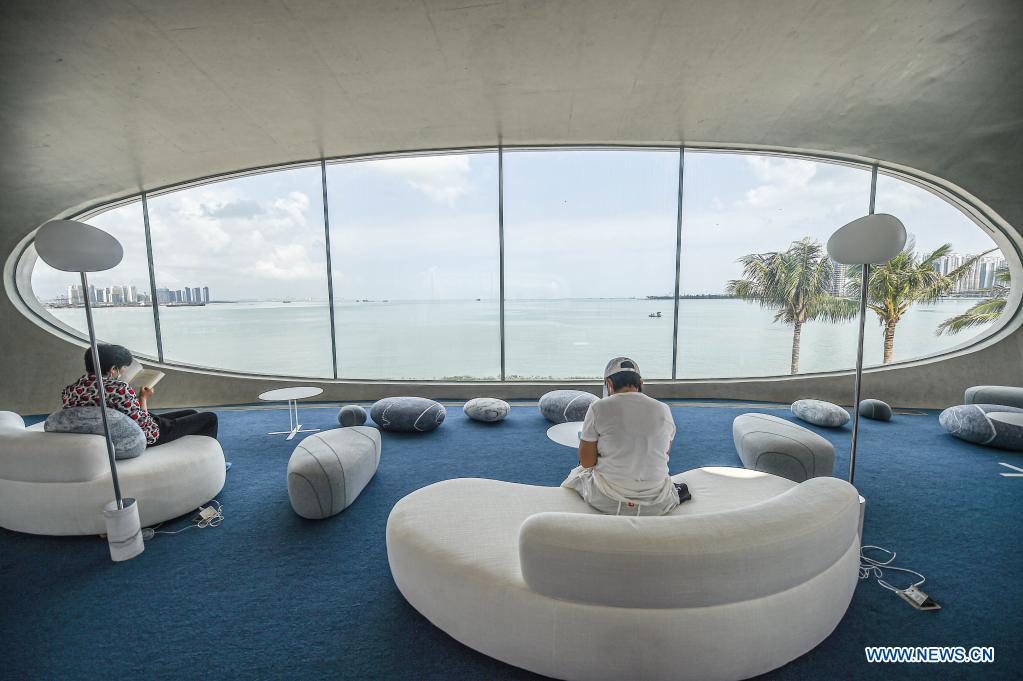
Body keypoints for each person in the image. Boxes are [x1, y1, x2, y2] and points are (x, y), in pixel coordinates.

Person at [561, 357, 686, 516]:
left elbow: (586, 462)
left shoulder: (599, 408)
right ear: (640, 383)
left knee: (577, 474)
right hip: (658, 502)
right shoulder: (663, 409)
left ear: (609, 384)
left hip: (608, 501)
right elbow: (664, 451)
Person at [61, 344, 218, 448]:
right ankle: (213, 461)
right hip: (138, 435)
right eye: (123, 368)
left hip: (113, 428)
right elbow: (146, 428)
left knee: (190, 414)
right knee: (209, 417)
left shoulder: (71, 390)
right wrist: (143, 398)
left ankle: (193, 451)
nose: (123, 372)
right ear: (113, 369)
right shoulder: (119, 389)